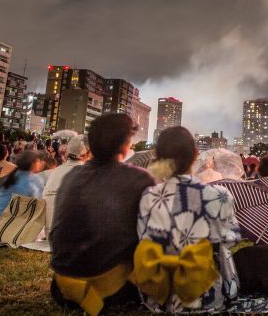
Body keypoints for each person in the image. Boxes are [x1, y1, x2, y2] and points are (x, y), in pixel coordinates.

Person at [50, 113, 154, 313]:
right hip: (112, 292)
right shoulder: (138, 179)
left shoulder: (71, 175)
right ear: (125, 145)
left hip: (62, 287)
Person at [135, 126, 240, 313]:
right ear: (195, 154)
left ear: (159, 158)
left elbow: (144, 238)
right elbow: (231, 240)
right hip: (209, 298)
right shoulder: (219, 195)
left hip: (161, 299)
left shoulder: (149, 197)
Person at [43, 135, 91, 238]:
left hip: (50, 233)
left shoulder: (55, 171)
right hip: (71, 236)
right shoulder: (87, 174)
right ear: (88, 153)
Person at [0, 151, 45, 230]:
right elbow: (39, 205)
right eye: (39, 161)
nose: (42, 163)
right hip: (8, 229)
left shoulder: (10, 174)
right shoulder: (29, 180)